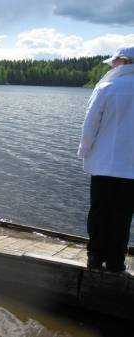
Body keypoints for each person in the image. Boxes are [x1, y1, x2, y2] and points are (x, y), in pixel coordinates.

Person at [78, 45, 134, 272]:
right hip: (130, 168)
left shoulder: (107, 87)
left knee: (99, 211)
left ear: (123, 62)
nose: (112, 65)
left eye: (114, 62)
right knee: (122, 216)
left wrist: (84, 150)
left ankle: (94, 257)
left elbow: (90, 124)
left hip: (103, 165)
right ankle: (115, 261)